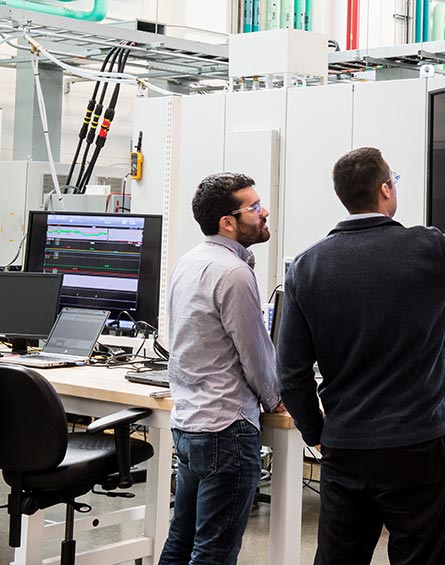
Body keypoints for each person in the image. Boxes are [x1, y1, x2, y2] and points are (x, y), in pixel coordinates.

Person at [276, 147, 445, 565]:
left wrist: (316, 432)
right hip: (416, 447)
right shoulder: (426, 248)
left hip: (344, 447)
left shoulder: (306, 267)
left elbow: (290, 372)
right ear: (385, 189)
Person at [159, 173, 282, 565]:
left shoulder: (188, 262)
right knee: (213, 552)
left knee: (180, 543)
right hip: (227, 430)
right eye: (254, 207)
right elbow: (255, 354)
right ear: (227, 222)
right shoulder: (233, 273)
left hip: (190, 425)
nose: (264, 213)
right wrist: (276, 400)